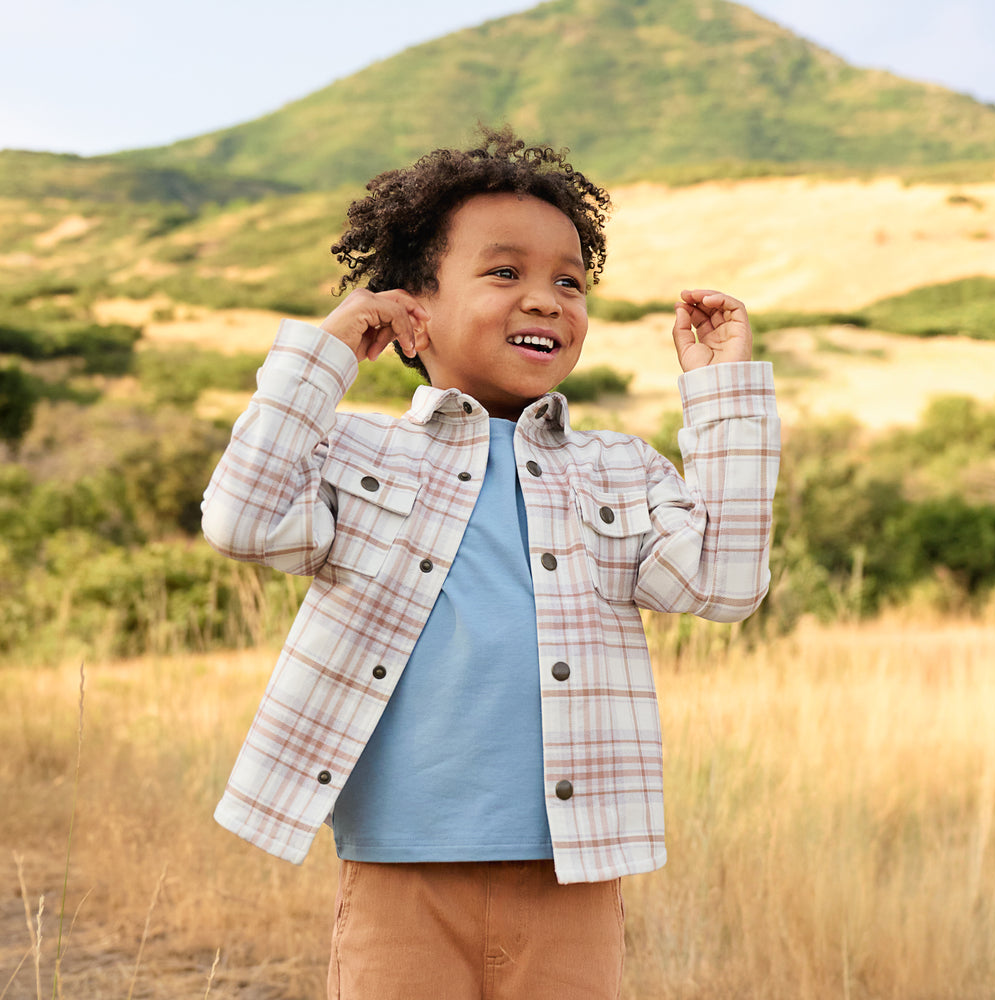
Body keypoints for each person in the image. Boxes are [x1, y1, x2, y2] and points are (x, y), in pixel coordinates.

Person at [202, 126, 781, 1000]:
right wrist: (321, 361)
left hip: (571, 873)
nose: (546, 300)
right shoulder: (363, 452)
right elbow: (242, 521)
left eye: (569, 281)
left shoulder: (617, 468)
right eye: (504, 273)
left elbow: (727, 585)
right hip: (403, 870)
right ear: (411, 312)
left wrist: (722, 392)